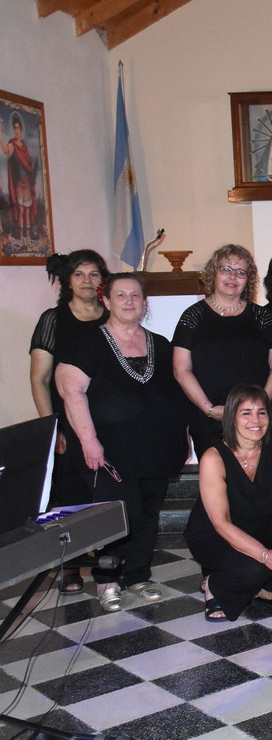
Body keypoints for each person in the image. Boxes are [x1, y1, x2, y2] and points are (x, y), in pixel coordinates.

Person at [55, 274, 189, 612]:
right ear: (106, 301)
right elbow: (70, 390)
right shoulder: (87, 341)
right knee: (117, 512)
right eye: (121, 295)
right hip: (108, 450)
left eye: (135, 295)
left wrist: (182, 436)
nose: (129, 301)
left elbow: (175, 393)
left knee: (148, 513)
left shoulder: (161, 343)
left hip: (156, 448)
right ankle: (108, 580)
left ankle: (138, 575)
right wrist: (89, 441)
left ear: (144, 303)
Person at [184, 385, 272, 621]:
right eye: (246, 413)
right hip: (215, 535)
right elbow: (221, 523)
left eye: (262, 412)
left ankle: (270, 588)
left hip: (260, 524)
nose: (255, 420)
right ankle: (215, 585)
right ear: (231, 417)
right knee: (254, 568)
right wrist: (265, 555)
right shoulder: (213, 457)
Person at [29, 249, 109, 595]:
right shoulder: (53, 319)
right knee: (69, 496)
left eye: (94, 274)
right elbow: (39, 379)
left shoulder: (112, 316)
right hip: (67, 424)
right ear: (68, 280)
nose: (87, 281)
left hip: (106, 423)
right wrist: (53, 428)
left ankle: (108, 563)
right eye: (79, 274)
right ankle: (71, 567)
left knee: (106, 494)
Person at [173, 244, 272, 457]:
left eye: (240, 272)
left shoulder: (262, 316)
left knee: (259, 476)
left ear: (248, 279)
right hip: (209, 422)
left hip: (255, 422)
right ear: (213, 272)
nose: (232, 277)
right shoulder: (193, 316)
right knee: (216, 476)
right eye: (226, 269)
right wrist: (209, 409)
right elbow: (181, 369)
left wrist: (259, 406)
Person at [1, 112, 38, 240]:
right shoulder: (12, 143)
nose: (16, 130)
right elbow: (6, 151)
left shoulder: (25, 146)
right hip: (18, 182)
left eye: (18, 128)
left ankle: (27, 236)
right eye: (15, 128)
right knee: (21, 209)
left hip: (27, 182)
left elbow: (28, 164)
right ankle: (21, 235)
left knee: (27, 210)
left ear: (21, 129)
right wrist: (0, 136)